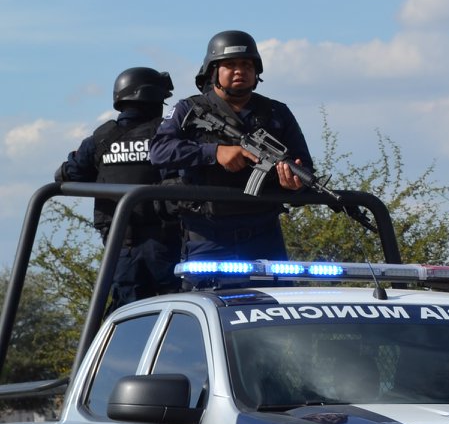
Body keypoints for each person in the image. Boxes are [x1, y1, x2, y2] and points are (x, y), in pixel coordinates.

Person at [150, 29, 313, 262]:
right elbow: (159, 151)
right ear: (213, 71)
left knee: (273, 297)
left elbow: (304, 165)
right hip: (208, 235)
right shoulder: (189, 109)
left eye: (247, 65)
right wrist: (214, 153)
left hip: (264, 234)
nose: (240, 71)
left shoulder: (277, 112)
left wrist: (294, 182)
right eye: (231, 64)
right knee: (207, 297)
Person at [55, 67, 182, 306]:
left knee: (126, 313)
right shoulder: (167, 136)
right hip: (166, 243)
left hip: (119, 246)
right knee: (176, 308)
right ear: (154, 98)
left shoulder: (100, 139)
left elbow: (67, 174)